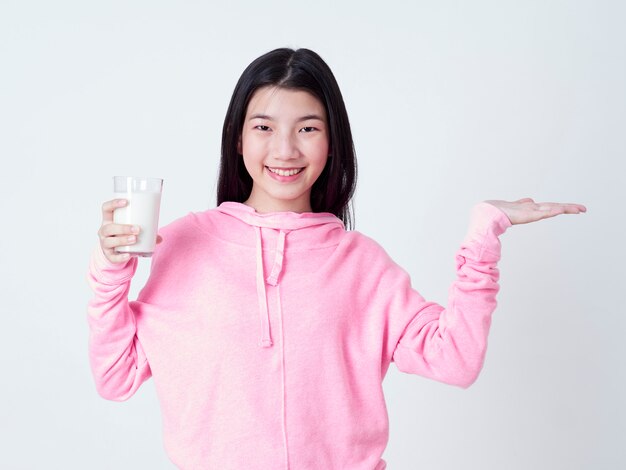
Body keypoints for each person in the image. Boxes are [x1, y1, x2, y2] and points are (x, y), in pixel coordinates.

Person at [87, 48, 586, 469]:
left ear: (332, 143)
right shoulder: (184, 245)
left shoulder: (361, 263)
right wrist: (111, 272)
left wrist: (483, 238)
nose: (284, 149)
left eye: (307, 128)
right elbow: (116, 377)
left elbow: (454, 360)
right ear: (238, 138)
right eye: (263, 126)